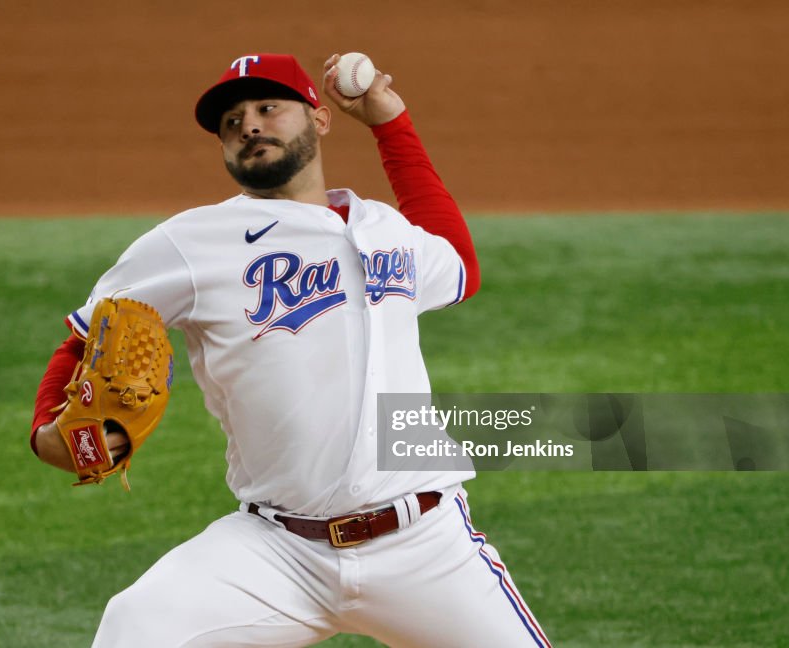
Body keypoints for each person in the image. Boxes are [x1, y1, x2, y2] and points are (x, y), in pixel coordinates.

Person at [30, 52, 551, 647]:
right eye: (231, 121)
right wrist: (48, 429)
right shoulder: (190, 241)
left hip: (425, 544)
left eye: (268, 108)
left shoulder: (384, 228)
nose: (248, 125)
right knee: (135, 627)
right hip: (276, 553)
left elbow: (460, 264)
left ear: (319, 120)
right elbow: (83, 335)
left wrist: (390, 122)